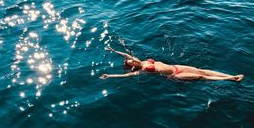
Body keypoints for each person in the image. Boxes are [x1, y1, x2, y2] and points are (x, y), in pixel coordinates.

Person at [100, 46, 244, 81]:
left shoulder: (141, 60)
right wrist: (110, 75)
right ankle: (231, 78)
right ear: (132, 65)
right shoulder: (141, 70)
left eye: (131, 59)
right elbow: (125, 76)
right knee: (202, 77)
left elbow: (126, 54)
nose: (132, 59)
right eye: (131, 61)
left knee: (202, 71)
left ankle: (230, 76)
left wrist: (113, 50)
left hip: (177, 66)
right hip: (175, 75)